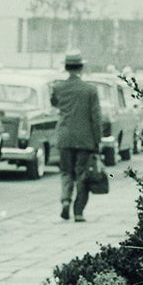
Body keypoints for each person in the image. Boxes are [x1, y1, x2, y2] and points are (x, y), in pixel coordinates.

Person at [50, 50, 105, 222]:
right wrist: (98, 140)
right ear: (81, 68)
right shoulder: (90, 90)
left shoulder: (58, 88)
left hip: (65, 137)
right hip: (85, 139)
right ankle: (79, 212)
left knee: (66, 172)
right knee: (82, 174)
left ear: (66, 67)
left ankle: (65, 201)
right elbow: (96, 118)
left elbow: (54, 103)